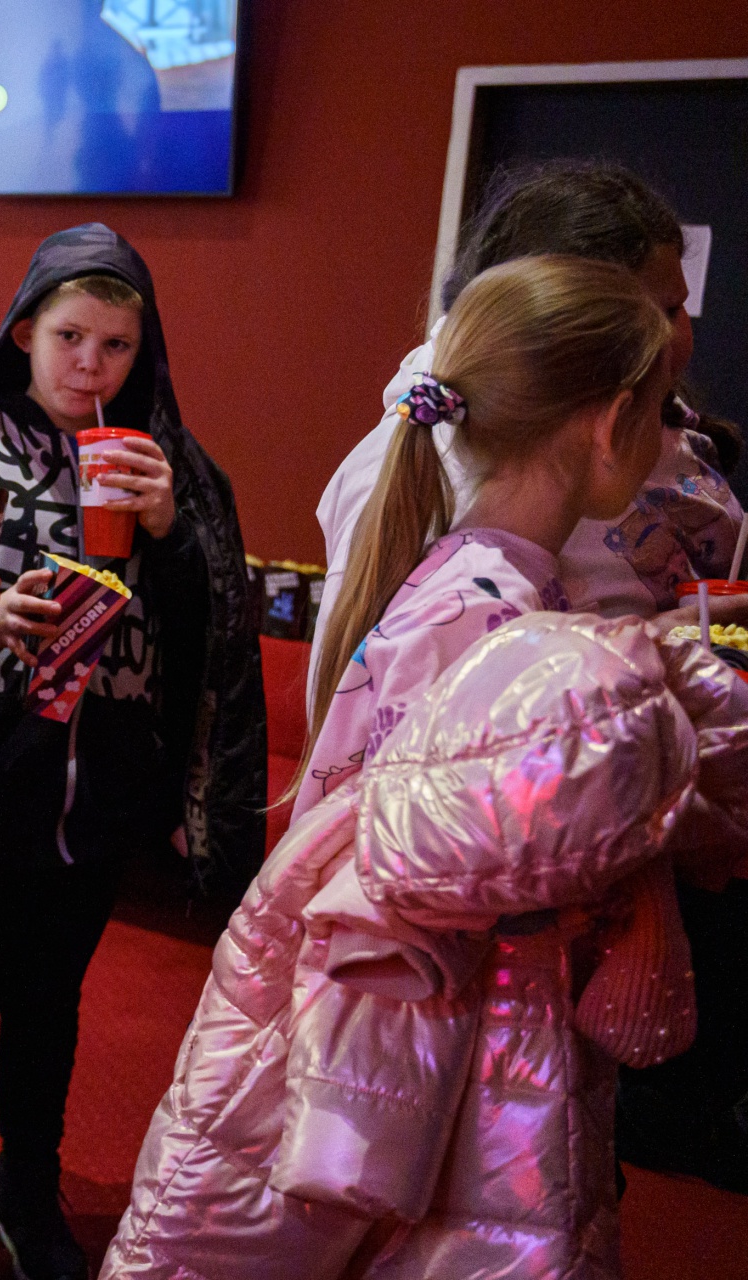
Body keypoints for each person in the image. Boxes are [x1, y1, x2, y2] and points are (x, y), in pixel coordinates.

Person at [102, 254, 719, 1280]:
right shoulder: (497, 622)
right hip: (434, 1047)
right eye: (662, 411)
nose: (671, 440)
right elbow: (449, 875)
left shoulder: (465, 576)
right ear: (612, 423)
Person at [0, 223, 262, 1280]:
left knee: (51, 1004)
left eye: (116, 345)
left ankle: (28, 1190)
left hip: (102, 786)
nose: (90, 365)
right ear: (23, 333)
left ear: (145, 351)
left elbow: (213, 629)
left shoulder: (164, 463)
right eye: (69, 338)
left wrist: (173, 530)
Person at [310, 161, 743, 706]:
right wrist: (643, 647)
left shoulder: (636, 425)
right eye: (655, 315)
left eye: (677, 309)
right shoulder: (437, 501)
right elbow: (447, 718)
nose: (672, 340)